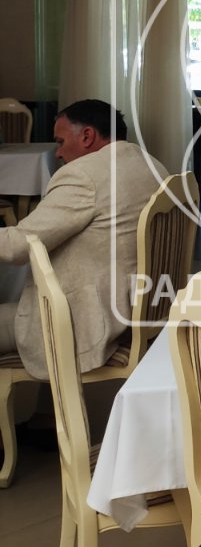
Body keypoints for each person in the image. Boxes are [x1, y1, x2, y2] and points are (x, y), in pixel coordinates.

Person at [0, 99, 168, 378]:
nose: (57, 153)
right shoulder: (153, 165)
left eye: (60, 141)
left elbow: (17, 246)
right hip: (144, 307)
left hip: (92, 322)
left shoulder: (83, 175)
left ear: (87, 136)